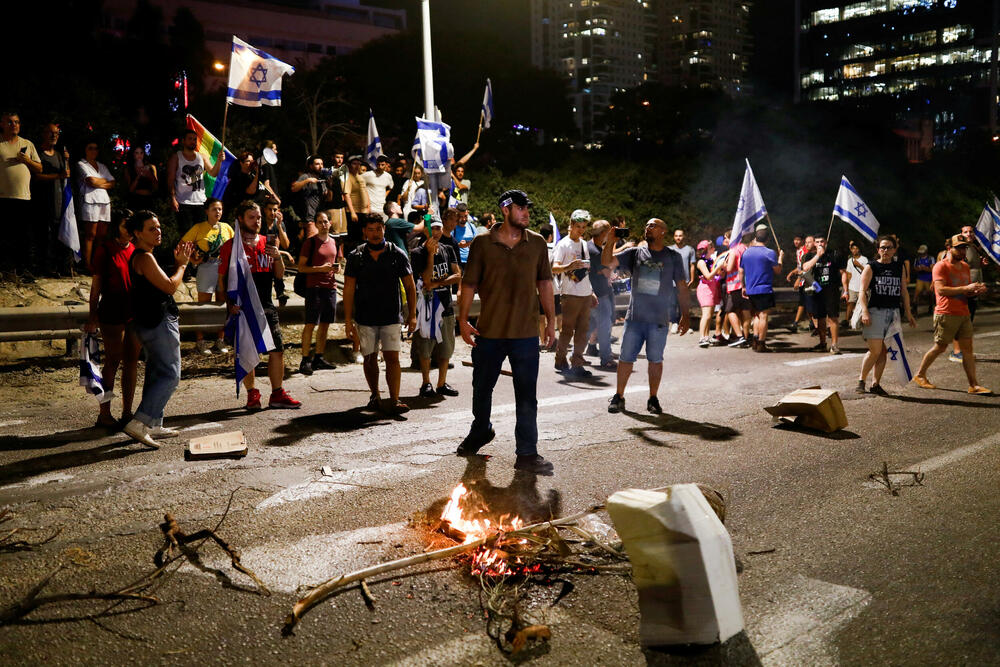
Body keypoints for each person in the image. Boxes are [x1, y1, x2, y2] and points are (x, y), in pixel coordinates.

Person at [456, 189, 556, 475]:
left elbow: (545, 283)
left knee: (526, 395)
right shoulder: (482, 243)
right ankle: (481, 430)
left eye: (527, 208)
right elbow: (468, 284)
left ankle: (527, 452)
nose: (526, 213)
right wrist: (463, 320)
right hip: (490, 332)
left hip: (525, 334)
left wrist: (551, 321)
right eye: (521, 208)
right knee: (481, 388)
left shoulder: (536, 243)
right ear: (505, 209)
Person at [218, 200, 302, 410]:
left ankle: (277, 393)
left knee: (277, 350)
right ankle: (252, 394)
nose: (257, 222)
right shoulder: (231, 247)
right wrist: (229, 305)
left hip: (266, 305)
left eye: (259, 218)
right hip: (243, 307)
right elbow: (222, 280)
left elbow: (279, 275)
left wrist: (278, 258)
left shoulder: (268, 242)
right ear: (240, 219)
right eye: (252, 218)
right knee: (247, 351)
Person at [121, 211, 192, 449]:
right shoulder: (144, 258)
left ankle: (154, 423)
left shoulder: (144, 257)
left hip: (148, 322)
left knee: (156, 373)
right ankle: (140, 422)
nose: (158, 231)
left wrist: (177, 264)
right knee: (171, 375)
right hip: (158, 322)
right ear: (138, 234)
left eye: (159, 227)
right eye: (151, 228)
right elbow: (170, 287)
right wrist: (182, 266)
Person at [606, 218, 690, 414]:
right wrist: (610, 242)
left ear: (663, 231)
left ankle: (653, 398)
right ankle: (619, 396)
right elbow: (607, 262)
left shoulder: (672, 257)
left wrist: (685, 315)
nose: (647, 228)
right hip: (635, 317)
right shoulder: (635, 253)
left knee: (655, 360)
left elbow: (682, 288)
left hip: (659, 319)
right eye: (646, 225)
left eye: (652, 225)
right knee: (626, 358)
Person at [343, 216, 417, 414]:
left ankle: (395, 400)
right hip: (365, 317)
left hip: (391, 316)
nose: (375, 233)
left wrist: (413, 315)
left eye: (378, 229)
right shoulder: (355, 256)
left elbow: (410, 287)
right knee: (370, 358)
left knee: (393, 358)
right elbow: (348, 290)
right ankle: (375, 396)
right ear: (364, 232)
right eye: (371, 229)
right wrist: (348, 320)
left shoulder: (397, 254)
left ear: (384, 229)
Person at [913, 234, 990, 394]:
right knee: (940, 347)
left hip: (963, 312)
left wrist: (976, 290)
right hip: (946, 313)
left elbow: (966, 291)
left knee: (967, 350)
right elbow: (940, 290)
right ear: (950, 248)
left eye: (964, 248)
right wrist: (965, 289)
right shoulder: (940, 266)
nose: (963, 251)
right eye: (959, 248)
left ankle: (973, 385)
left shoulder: (965, 267)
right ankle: (920, 375)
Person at [85, 208, 141, 428]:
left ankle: (127, 412)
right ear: (116, 226)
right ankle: (104, 413)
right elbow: (96, 285)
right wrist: (92, 315)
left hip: (132, 312)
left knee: (131, 362)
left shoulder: (135, 249)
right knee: (113, 360)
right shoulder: (105, 250)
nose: (129, 229)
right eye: (126, 224)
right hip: (111, 311)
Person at [855, 235, 916, 395]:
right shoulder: (871, 266)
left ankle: (876, 384)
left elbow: (904, 291)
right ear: (878, 250)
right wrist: (865, 311)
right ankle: (861, 381)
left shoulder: (899, 266)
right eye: (882, 247)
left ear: (895, 249)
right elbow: (862, 291)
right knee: (875, 351)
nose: (885, 250)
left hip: (893, 313)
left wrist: (908, 313)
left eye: (889, 247)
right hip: (875, 312)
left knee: (883, 351)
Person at [411, 217, 462, 398]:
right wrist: (431, 254)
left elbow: (457, 275)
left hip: (445, 303)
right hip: (427, 306)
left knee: (447, 346)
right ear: (426, 230)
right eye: (432, 228)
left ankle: (442, 382)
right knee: (425, 346)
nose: (436, 232)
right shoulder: (417, 253)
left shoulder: (448, 249)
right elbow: (425, 279)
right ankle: (426, 382)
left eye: (439, 228)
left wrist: (438, 282)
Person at [181, 198, 233, 355]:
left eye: (220, 209)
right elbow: (183, 244)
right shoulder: (199, 228)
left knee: (222, 304)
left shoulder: (227, 228)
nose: (218, 212)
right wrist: (193, 260)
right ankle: (200, 341)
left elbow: (235, 245)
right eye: (214, 209)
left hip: (224, 267)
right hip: (206, 267)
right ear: (206, 211)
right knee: (203, 305)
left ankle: (220, 339)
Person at [550, 209, 595, 378]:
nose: (581, 230)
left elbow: (586, 269)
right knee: (567, 330)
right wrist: (569, 266)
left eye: (583, 227)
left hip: (584, 292)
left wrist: (591, 292)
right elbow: (555, 267)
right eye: (578, 226)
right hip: (569, 293)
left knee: (583, 330)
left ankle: (577, 361)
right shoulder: (563, 244)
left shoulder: (583, 244)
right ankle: (560, 359)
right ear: (571, 225)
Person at [0, 111, 42, 275]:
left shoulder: (27, 144)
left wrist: (27, 160)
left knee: (23, 235)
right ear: (2, 124)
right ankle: (5, 269)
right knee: (4, 235)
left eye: (16, 122)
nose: (14, 125)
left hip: (23, 197)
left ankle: (23, 269)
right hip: (2, 197)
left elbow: (39, 168)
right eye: (10, 122)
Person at [297, 211, 339, 376]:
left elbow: (338, 262)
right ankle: (305, 359)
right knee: (310, 323)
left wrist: (336, 268)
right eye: (320, 222)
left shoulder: (335, 242)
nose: (323, 224)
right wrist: (320, 269)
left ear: (330, 223)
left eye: (325, 221)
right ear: (315, 224)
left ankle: (319, 357)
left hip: (330, 287)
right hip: (314, 287)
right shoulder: (310, 243)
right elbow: (301, 267)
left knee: (325, 324)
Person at [30, 123, 71, 275]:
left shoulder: (60, 154)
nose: (54, 135)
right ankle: (42, 267)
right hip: (42, 201)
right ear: (43, 134)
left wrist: (67, 161)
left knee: (55, 235)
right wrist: (57, 176)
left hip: (58, 201)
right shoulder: (38, 153)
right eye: (50, 132)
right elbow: (35, 176)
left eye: (57, 133)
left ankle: (57, 266)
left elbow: (66, 174)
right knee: (43, 236)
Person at [739, 224, 785, 352]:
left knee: (757, 316)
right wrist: (780, 258)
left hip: (751, 289)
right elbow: (778, 270)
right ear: (767, 239)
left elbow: (741, 271)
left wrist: (743, 286)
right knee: (764, 316)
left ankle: (755, 339)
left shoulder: (746, 252)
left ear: (756, 238)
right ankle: (761, 343)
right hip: (764, 288)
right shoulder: (769, 253)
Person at [167, 129, 221, 232]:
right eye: (190, 139)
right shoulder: (176, 157)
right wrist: (172, 198)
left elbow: (213, 173)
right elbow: (170, 179)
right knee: (186, 234)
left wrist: (219, 161)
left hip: (200, 202)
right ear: (183, 141)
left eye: (195, 139)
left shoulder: (202, 157)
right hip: (183, 202)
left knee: (201, 234)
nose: (193, 141)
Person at [950, 224, 990, 363]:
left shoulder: (973, 248)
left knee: (968, 322)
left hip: (974, 291)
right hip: (964, 291)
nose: (969, 234)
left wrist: (981, 262)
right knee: (960, 322)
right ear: (961, 234)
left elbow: (973, 267)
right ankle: (956, 352)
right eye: (966, 232)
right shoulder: (960, 249)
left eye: (971, 232)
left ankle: (962, 350)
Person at [801, 236, 846, 354]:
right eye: (817, 242)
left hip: (831, 289)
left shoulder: (834, 254)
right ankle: (822, 343)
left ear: (826, 242)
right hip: (817, 289)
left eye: (822, 241)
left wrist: (845, 290)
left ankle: (834, 345)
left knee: (833, 317)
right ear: (814, 244)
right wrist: (818, 255)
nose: (820, 244)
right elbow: (805, 268)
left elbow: (843, 273)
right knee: (820, 318)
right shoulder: (809, 255)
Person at [77, 140, 116, 271]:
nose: (94, 151)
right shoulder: (81, 164)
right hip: (90, 201)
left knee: (101, 235)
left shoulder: (102, 166)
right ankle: (87, 264)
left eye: (96, 148)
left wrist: (99, 182)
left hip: (104, 201)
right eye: (90, 148)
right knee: (90, 235)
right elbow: (91, 180)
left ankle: (98, 263)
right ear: (85, 150)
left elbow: (113, 182)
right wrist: (103, 182)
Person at [585, 219, 618, 369]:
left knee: (591, 326)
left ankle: (576, 355)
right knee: (604, 326)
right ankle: (606, 358)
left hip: (598, 292)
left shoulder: (592, 247)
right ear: (604, 233)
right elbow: (605, 270)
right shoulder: (594, 250)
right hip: (599, 294)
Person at [291, 155, 332, 234]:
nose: (320, 166)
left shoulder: (322, 179)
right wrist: (307, 181)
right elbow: (293, 188)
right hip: (310, 218)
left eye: (322, 164)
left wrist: (330, 186)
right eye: (317, 164)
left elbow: (329, 199)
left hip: (321, 218)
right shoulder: (306, 176)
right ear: (311, 166)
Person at [262, 197, 291, 307]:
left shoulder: (279, 224)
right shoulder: (260, 222)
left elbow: (286, 245)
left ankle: (280, 293)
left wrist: (279, 226)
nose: (272, 213)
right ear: (265, 210)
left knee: (279, 264)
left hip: (275, 255)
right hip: (262, 255)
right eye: (270, 209)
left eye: (275, 210)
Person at [723, 232, 751, 348]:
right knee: (745, 311)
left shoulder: (733, 250)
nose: (725, 240)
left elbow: (729, 268)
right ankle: (746, 336)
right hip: (747, 284)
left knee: (730, 310)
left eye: (726, 238)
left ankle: (740, 336)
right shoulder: (745, 248)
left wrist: (723, 265)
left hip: (735, 285)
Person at [695, 239, 724, 348]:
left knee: (710, 314)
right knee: (706, 314)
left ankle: (706, 336)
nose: (714, 249)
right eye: (712, 247)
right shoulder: (701, 262)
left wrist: (720, 269)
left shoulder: (711, 260)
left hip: (712, 288)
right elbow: (708, 276)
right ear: (707, 249)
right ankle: (701, 337)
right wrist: (717, 267)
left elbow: (716, 275)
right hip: (705, 289)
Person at [668, 228, 697, 333]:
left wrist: (692, 278)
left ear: (683, 236)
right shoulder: (669, 249)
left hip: (685, 281)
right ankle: (674, 323)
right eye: (676, 236)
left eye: (680, 235)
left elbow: (692, 265)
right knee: (672, 303)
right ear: (674, 237)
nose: (678, 238)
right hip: (672, 281)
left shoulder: (690, 249)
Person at [786, 235, 815, 333]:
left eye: (798, 240)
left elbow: (804, 268)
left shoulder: (805, 251)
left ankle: (814, 324)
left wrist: (798, 279)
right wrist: (792, 272)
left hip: (808, 281)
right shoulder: (798, 251)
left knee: (808, 303)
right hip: (804, 280)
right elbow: (799, 266)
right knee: (803, 302)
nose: (796, 241)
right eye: (795, 239)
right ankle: (799, 323)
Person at [343, 155, 370, 253]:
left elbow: (365, 192)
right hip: (354, 212)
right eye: (354, 163)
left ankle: (360, 256)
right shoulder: (348, 177)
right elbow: (346, 195)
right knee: (352, 238)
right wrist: (352, 212)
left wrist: (368, 206)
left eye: (359, 164)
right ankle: (351, 257)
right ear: (349, 165)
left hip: (363, 211)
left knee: (362, 236)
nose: (357, 166)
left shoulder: (360, 177)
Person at [222, 151, 260, 220]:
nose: (251, 163)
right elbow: (250, 191)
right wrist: (258, 173)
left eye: (252, 161)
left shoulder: (252, 177)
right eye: (248, 161)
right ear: (241, 163)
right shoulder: (237, 177)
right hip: (235, 214)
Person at [124, 145, 158, 212]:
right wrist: (138, 176)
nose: (139, 155)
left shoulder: (151, 167)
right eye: (137, 153)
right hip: (135, 201)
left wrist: (150, 175)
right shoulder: (129, 169)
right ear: (133, 154)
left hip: (149, 200)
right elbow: (130, 189)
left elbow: (156, 187)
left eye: (141, 152)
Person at [844, 239, 869, 327]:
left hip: (861, 286)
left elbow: (867, 271)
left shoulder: (864, 259)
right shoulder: (849, 260)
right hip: (852, 286)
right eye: (853, 249)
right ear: (851, 250)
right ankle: (847, 320)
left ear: (859, 249)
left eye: (856, 248)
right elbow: (848, 274)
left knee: (862, 304)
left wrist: (859, 265)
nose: (855, 250)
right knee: (850, 303)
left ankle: (862, 320)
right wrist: (846, 287)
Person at [362, 155, 394, 221]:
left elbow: (391, 187)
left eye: (382, 165)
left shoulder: (388, 176)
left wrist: (385, 194)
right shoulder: (368, 174)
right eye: (378, 164)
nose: (380, 167)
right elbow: (357, 182)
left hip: (382, 207)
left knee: (382, 228)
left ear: (386, 165)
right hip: (371, 207)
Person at [452, 202, 479, 269]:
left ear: (468, 213)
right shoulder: (453, 227)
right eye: (461, 216)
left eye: (465, 216)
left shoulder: (471, 226)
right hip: (457, 262)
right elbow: (447, 245)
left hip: (471, 262)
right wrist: (458, 245)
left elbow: (478, 242)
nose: (464, 219)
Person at [912, 243, 934, 317]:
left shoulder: (930, 258)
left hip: (929, 279)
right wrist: (919, 268)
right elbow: (915, 268)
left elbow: (932, 269)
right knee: (917, 293)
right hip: (920, 278)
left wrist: (924, 268)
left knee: (930, 294)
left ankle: (931, 307)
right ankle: (914, 309)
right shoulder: (917, 259)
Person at [257, 140, 281, 205]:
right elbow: (266, 185)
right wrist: (277, 199)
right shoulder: (266, 165)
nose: (276, 152)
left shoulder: (260, 163)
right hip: (271, 202)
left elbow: (261, 184)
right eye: (275, 149)